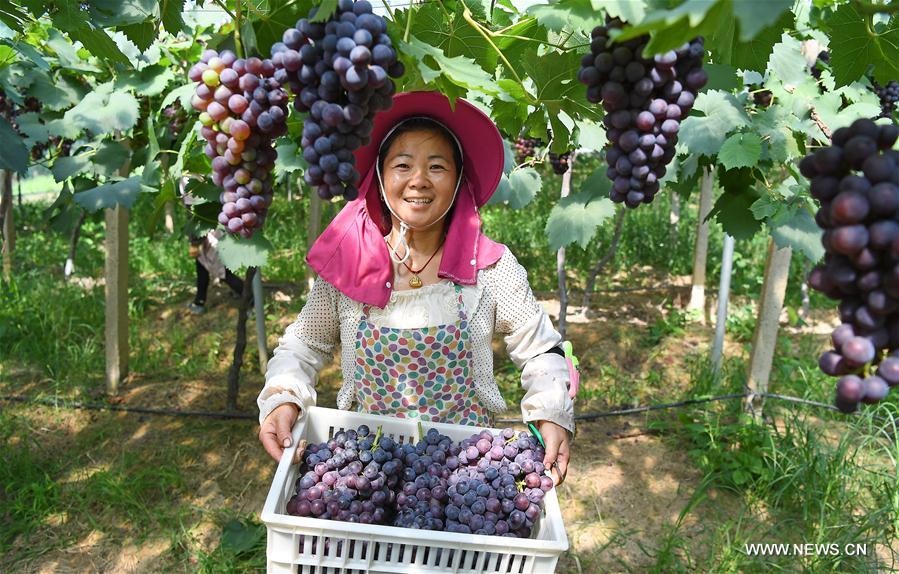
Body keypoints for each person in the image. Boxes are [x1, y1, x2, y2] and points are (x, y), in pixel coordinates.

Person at [257, 91, 577, 486]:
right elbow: (303, 345)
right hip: (369, 469)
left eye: (437, 166)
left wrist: (551, 411)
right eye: (402, 165)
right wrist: (282, 398)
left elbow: (540, 349)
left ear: (459, 178)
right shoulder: (351, 264)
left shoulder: (490, 266)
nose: (418, 181)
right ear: (379, 175)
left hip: (466, 472)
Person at [187, 229, 246, 314]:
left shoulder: (215, 242)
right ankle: (199, 302)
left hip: (221, 251)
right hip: (204, 252)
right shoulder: (197, 234)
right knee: (201, 274)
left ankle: (250, 296)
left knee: (226, 276)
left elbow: (218, 269)